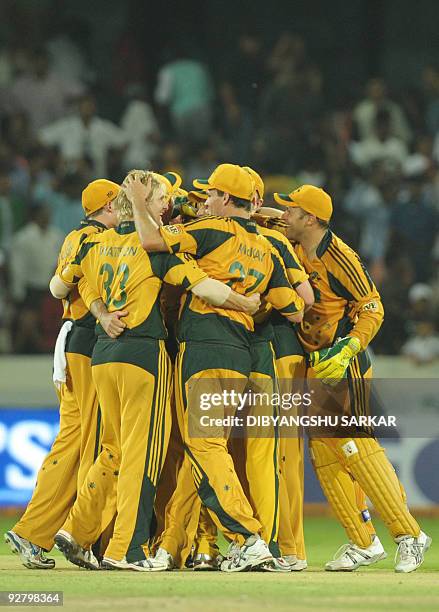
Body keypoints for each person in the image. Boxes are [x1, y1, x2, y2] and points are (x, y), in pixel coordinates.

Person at [50, 170, 261, 571]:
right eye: (163, 199)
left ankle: (76, 530)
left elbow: (68, 289)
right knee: (141, 456)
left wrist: (102, 314)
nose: (169, 205)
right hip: (142, 356)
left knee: (111, 449)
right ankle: (126, 550)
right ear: (146, 204)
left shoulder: (96, 244)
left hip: (103, 355)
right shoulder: (156, 251)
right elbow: (202, 286)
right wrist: (243, 303)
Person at [126, 163, 305, 572]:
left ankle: (247, 536)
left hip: (205, 344)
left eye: (211, 196)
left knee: (203, 444)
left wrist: (139, 203)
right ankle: (201, 541)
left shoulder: (211, 230)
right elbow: (294, 309)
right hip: (242, 351)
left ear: (226, 199)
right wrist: (249, 302)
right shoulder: (267, 246)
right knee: (210, 446)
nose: (205, 202)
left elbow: (153, 241)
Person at [270, 184, 431, 573]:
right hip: (315, 361)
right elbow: (266, 218)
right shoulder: (295, 241)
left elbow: (372, 307)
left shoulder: (339, 256)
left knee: (355, 443)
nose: (284, 215)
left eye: (290, 210)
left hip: (343, 360)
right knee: (325, 454)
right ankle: (363, 542)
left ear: (310, 219)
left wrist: (348, 349)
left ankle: (410, 535)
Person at [4, 179, 121, 568]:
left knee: (73, 441)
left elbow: (58, 287)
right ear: (108, 206)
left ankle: (32, 532)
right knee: (91, 444)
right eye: (119, 204)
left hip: (72, 339)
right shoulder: (96, 240)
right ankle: (72, 534)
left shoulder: (74, 236)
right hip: (88, 340)